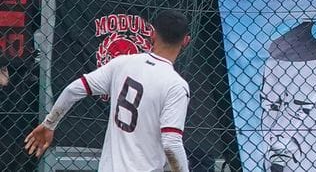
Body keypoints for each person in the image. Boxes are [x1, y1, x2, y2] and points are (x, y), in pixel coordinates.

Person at [25, 9, 192, 172]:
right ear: (185, 41)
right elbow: (171, 143)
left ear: (152, 34)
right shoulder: (176, 85)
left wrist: (49, 123)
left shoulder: (123, 63)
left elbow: (73, 89)